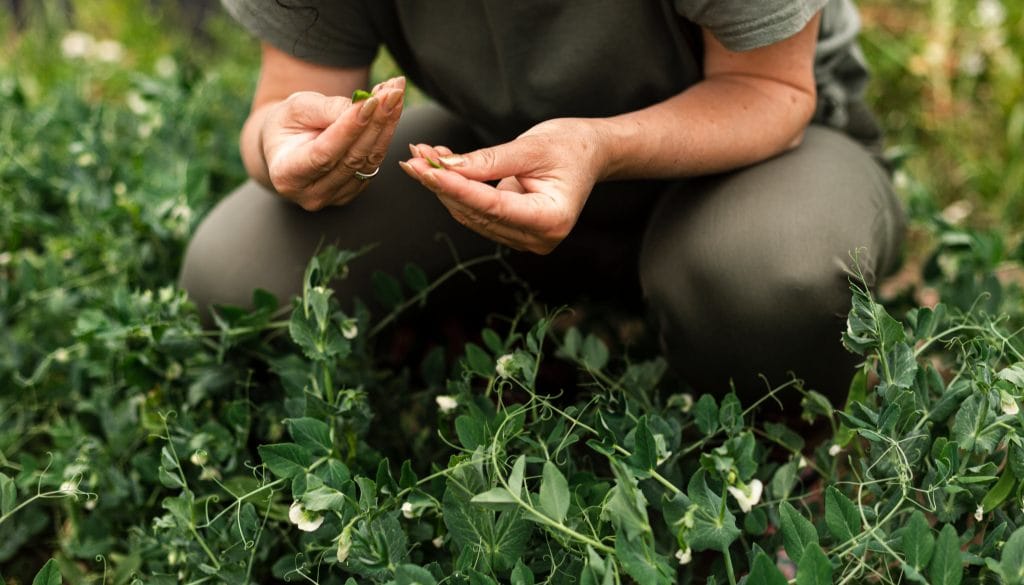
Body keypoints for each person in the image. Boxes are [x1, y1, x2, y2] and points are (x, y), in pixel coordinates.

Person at [180, 0, 905, 402]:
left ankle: (783, 440)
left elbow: (771, 91)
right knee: (241, 276)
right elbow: (281, 99)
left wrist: (600, 147)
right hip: (511, 147)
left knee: (771, 281)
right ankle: (529, 302)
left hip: (759, 151)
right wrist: (286, 148)